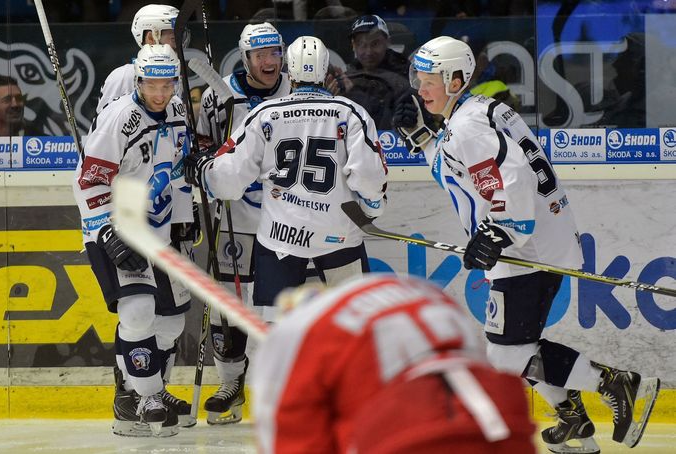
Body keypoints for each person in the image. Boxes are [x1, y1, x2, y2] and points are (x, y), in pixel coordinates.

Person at [393, 36, 660, 453]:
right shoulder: (474, 114)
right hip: (533, 243)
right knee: (516, 345)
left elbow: (511, 176)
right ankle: (573, 419)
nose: (419, 88)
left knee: (505, 356)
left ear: (456, 79)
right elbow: (462, 175)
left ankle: (618, 384)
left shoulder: (467, 126)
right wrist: (423, 139)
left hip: (526, 250)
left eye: (427, 79)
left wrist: (501, 230)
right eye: (417, 78)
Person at [185, 40, 388, 429]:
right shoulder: (350, 111)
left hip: (282, 237)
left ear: (290, 72)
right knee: (354, 323)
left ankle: (280, 413)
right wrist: (373, 208)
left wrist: (203, 173)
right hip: (339, 236)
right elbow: (370, 177)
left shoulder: (266, 114)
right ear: (327, 70)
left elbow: (227, 179)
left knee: (273, 330)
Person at [251, 274, 537, 453]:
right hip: (501, 420)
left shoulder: (299, 331)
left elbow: (291, 440)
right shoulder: (424, 292)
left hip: (409, 431)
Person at [73, 44, 194, 437]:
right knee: (139, 310)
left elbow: (175, 170)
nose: (160, 93)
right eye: (151, 85)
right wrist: (106, 232)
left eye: (167, 84)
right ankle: (146, 395)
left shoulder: (177, 111)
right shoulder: (118, 118)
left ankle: (150, 386)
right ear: (138, 81)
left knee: (173, 319)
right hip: (114, 229)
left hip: (158, 229)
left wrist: (184, 217)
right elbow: (88, 181)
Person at [195, 21, 291, 426]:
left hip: (289, 220)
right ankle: (231, 383)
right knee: (228, 303)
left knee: (281, 308)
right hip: (236, 218)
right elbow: (199, 148)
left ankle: (282, 389)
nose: (269, 62)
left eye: (274, 53)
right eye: (260, 55)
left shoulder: (299, 91)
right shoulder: (220, 99)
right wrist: (215, 163)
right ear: (245, 58)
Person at [96, 4, 186, 114]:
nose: (180, 44)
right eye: (174, 38)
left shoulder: (173, 74)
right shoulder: (123, 77)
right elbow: (105, 125)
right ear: (151, 38)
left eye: (181, 36)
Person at [339, 15, 411, 130]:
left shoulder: (405, 74)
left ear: (388, 42)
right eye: (362, 44)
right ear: (353, 45)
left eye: (375, 44)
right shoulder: (348, 77)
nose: (368, 52)